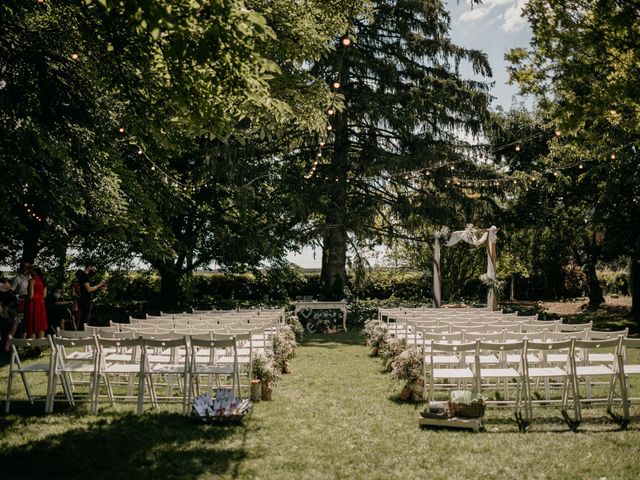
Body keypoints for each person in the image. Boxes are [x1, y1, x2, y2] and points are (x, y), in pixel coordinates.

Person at [76, 262, 106, 329]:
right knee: (84, 320)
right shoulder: (84, 276)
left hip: (86, 300)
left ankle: (82, 334)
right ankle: (82, 335)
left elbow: (90, 289)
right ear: (89, 266)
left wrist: (99, 288)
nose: (94, 269)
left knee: (85, 319)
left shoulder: (86, 276)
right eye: (93, 267)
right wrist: (99, 285)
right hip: (85, 301)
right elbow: (89, 289)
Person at [25, 266, 48, 339]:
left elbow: (31, 296)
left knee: (32, 325)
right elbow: (44, 295)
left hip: (33, 303)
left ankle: (32, 348)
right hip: (41, 303)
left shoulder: (32, 280)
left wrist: (23, 298)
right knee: (41, 325)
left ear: (34, 271)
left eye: (30, 270)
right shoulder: (42, 280)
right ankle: (39, 346)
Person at [11, 260, 31, 337]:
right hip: (20, 305)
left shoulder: (31, 278)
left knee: (26, 326)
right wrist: (18, 298)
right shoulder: (17, 278)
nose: (26, 268)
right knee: (15, 326)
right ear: (22, 267)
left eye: (28, 267)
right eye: (25, 266)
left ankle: (22, 345)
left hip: (29, 304)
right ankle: (7, 346)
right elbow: (11, 292)